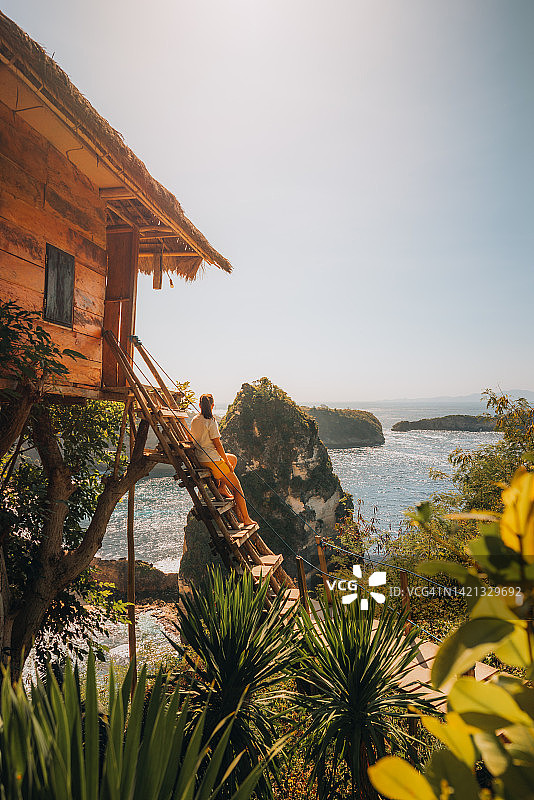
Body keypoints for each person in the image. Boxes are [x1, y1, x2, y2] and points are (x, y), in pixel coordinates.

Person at [190, 394, 256, 527]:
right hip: (213, 460)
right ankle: (246, 519)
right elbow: (217, 444)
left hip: (201, 458)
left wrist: (228, 460)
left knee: (233, 458)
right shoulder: (210, 421)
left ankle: (221, 487)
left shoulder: (195, 420)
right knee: (237, 488)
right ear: (212, 405)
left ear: (200, 405)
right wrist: (226, 463)